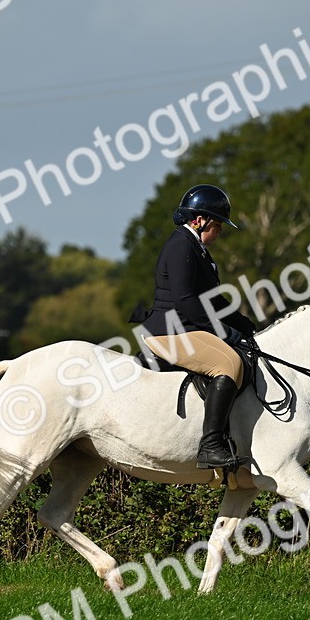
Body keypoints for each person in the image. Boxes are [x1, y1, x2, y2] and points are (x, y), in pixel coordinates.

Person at [131, 184, 257, 470]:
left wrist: (244, 324)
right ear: (200, 220)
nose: (220, 232)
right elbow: (187, 301)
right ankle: (211, 445)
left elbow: (213, 300)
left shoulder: (197, 249)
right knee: (229, 364)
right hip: (170, 331)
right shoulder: (180, 246)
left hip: (186, 328)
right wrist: (224, 333)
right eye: (218, 225)